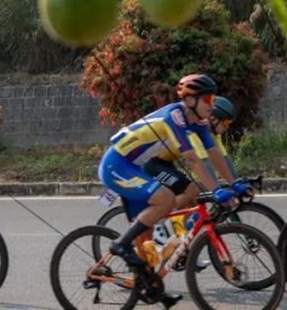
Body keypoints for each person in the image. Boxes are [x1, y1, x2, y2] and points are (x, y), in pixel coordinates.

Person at [98, 74, 242, 270]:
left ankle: (154, 268)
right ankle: (153, 233)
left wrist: (235, 183)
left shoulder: (199, 123)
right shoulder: (174, 118)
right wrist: (216, 190)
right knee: (173, 198)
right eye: (208, 99)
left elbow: (215, 155)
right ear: (191, 100)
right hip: (128, 164)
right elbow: (194, 159)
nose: (211, 104)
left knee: (189, 199)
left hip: (140, 165)